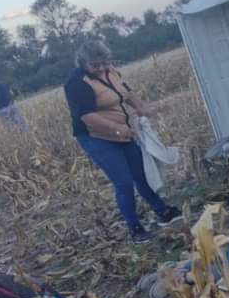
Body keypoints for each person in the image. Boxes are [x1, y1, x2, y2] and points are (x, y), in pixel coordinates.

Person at [64, 39, 182, 243]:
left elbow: (126, 93)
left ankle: (163, 212)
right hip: (96, 138)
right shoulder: (76, 84)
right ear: (83, 63)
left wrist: (142, 108)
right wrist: (118, 130)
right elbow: (86, 117)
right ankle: (135, 229)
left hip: (123, 131)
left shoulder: (111, 72)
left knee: (141, 173)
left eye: (104, 63)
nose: (101, 68)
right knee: (124, 181)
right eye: (95, 65)